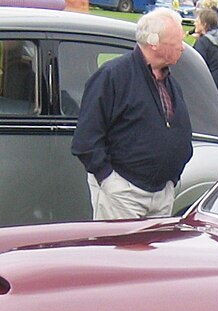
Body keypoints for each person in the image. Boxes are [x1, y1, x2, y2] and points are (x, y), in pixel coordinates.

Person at [71, 9, 194, 219]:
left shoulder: (170, 82)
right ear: (154, 42)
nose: (182, 47)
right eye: (176, 41)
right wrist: (108, 179)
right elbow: (87, 137)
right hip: (123, 193)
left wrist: (172, 179)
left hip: (162, 193)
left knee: (154, 253)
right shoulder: (113, 76)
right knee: (119, 252)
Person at [193, 7, 218, 101]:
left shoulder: (203, 43)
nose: (195, 23)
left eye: (197, 20)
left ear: (204, 24)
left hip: (206, 89)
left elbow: (196, 69)